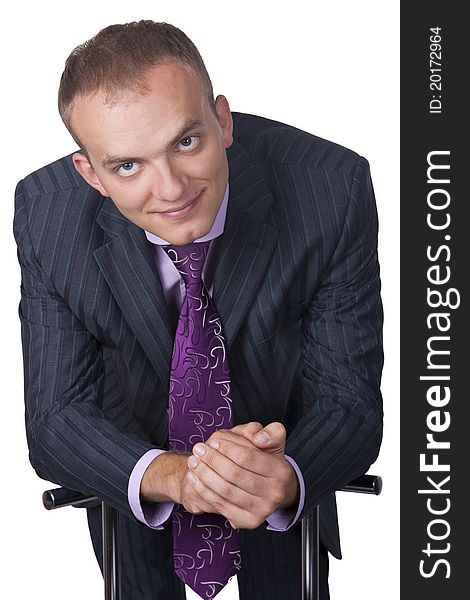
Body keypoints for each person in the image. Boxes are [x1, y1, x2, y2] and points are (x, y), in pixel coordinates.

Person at [14, 20, 383, 600]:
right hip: (133, 475)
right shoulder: (47, 215)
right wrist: (173, 477)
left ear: (223, 120)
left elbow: (349, 401)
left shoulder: (329, 190)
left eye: (187, 142)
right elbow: (57, 417)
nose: (171, 189)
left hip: (279, 464)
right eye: (127, 166)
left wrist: (285, 477)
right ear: (90, 174)